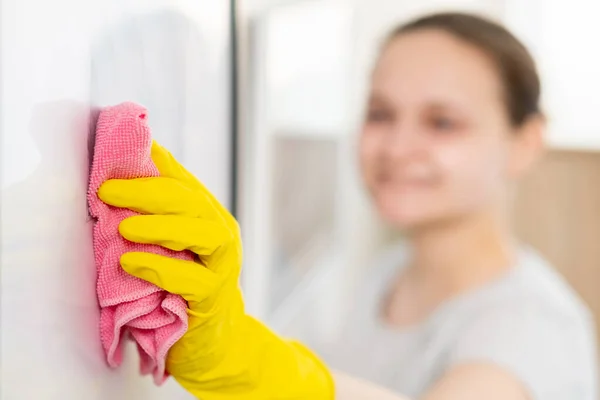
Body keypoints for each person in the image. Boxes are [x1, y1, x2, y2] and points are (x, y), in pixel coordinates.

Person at [97, 11, 598, 400]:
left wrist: (241, 359)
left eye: (442, 122)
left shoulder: (533, 328)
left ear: (526, 143)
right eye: (380, 113)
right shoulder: (389, 272)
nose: (397, 148)